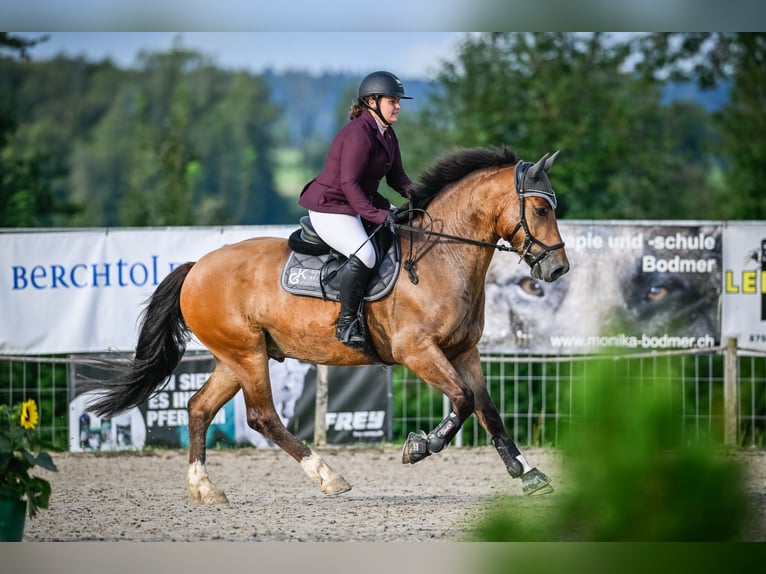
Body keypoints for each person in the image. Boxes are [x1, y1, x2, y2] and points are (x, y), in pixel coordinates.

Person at [298, 70, 414, 350]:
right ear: (372, 102)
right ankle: (346, 323)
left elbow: (397, 178)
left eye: (398, 100)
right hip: (331, 207)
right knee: (366, 254)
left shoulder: (386, 133)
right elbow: (349, 184)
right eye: (392, 100)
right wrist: (378, 215)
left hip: (356, 203)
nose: (398, 105)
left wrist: (423, 199)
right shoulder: (358, 135)